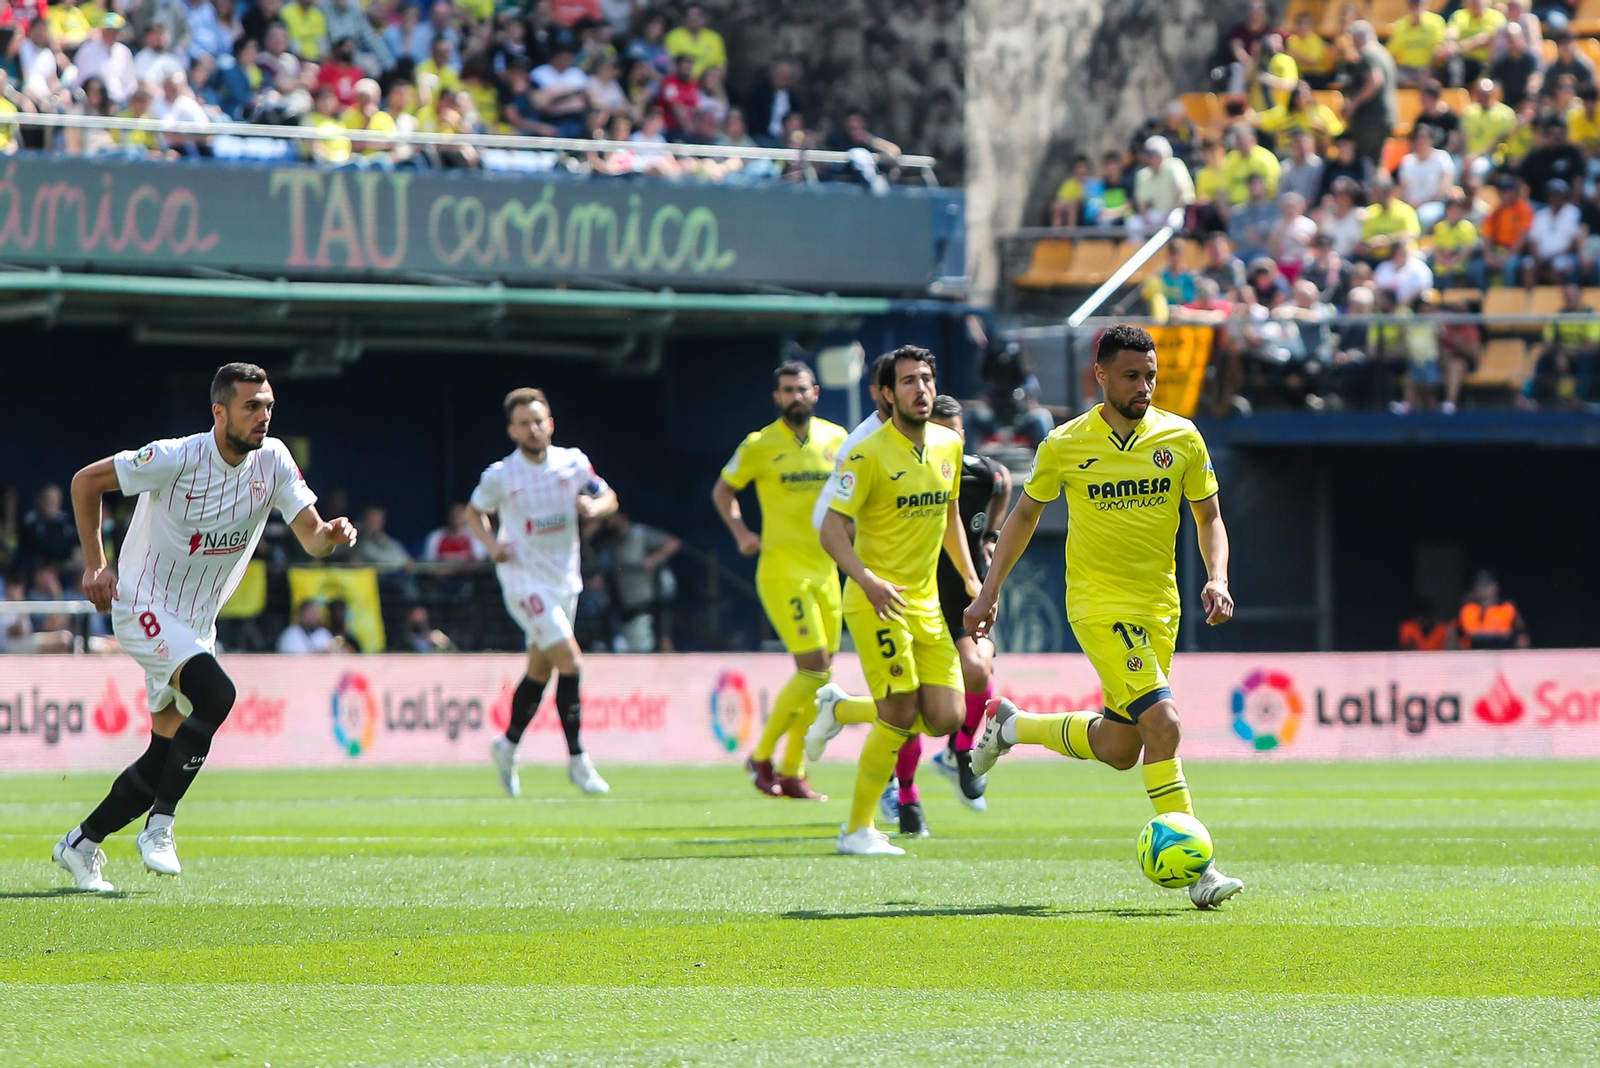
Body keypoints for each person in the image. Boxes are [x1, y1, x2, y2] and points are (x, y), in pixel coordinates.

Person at [963, 324, 1245, 910]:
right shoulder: (1065, 444)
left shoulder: (1182, 438)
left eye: (1150, 376)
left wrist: (1216, 578)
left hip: (1158, 608)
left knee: (1122, 748)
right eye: (1131, 376)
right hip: (1097, 605)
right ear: (1101, 377)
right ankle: (1200, 870)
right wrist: (988, 592)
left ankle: (1010, 726)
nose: (1144, 386)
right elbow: (1021, 519)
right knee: (1163, 723)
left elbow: (1209, 517)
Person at [53, 363, 355, 892]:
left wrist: (331, 534)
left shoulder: (276, 460)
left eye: (268, 407)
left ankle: (81, 843)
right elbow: (86, 482)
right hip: (143, 604)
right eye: (251, 407)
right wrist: (96, 563)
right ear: (220, 412)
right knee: (217, 695)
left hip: (195, 622)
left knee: (164, 756)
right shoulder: (175, 456)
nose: (263, 417)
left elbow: (311, 538)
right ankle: (161, 829)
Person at [806, 347, 976, 856]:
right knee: (900, 712)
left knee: (947, 717)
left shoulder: (948, 445)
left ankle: (842, 708)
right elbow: (831, 528)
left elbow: (950, 520)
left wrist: (972, 583)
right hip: (874, 600)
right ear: (886, 393)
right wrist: (867, 578)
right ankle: (857, 829)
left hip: (925, 604)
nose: (920, 389)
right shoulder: (865, 453)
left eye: (926, 378)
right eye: (908, 382)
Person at [712, 361, 848, 801]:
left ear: (816, 392)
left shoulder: (837, 439)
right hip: (781, 572)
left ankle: (792, 771)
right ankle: (763, 756)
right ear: (776, 397)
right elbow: (723, 490)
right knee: (812, 667)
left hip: (827, 572)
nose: (795, 397)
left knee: (821, 679)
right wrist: (741, 534)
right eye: (787, 390)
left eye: (801, 389)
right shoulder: (759, 444)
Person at [470, 388, 617, 798]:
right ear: (512, 430)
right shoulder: (500, 475)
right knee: (570, 661)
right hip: (522, 580)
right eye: (524, 423)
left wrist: (596, 508)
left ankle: (507, 745)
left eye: (539, 420)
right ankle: (577, 760)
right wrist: (491, 544)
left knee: (541, 670)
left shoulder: (573, 462)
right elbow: (473, 511)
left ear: (550, 423)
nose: (533, 428)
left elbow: (608, 496)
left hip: (564, 579)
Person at [1456, 570, 1529, 649]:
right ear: (1474, 588)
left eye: (1487, 585)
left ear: (1496, 586)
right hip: (1473, 653)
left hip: (1503, 653)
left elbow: (1521, 636)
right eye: (1480, 585)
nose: (1484, 589)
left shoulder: (1508, 608)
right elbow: (1457, 636)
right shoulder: (1467, 609)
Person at [1386, 0, 1447, 87]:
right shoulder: (1400, 25)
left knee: (1434, 81)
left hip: (1430, 68)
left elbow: (1439, 50)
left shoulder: (1435, 23)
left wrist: (1429, 69)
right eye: (1412, 3)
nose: (1415, 6)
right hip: (1406, 70)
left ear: (1426, 4)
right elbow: (1391, 52)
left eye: (1418, 3)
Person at [423, 503, 489, 563]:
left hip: (468, 575)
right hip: (443, 575)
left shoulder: (475, 535)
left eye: (460, 515)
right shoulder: (436, 536)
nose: (457, 519)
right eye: (455, 515)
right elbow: (430, 562)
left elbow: (480, 560)